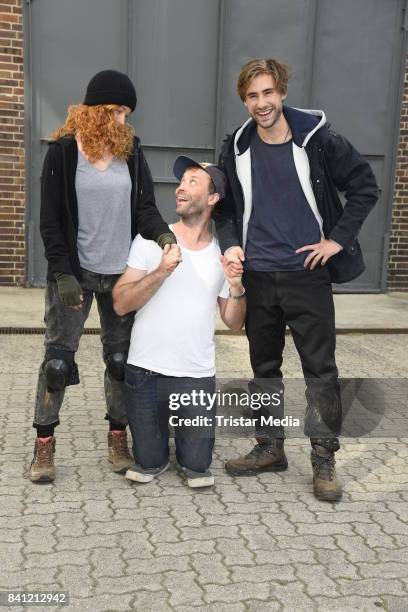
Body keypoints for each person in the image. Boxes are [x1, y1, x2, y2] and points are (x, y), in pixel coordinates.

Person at [214, 58, 378, 501]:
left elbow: (365, 186)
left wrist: (336, 241)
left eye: (268, 93)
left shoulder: (319, 140)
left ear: (282, 93)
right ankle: (269, 448)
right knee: (263, 369)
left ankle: (324, 458)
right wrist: (230, 245)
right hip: (259, 275)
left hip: (307, 275)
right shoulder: (236, 146)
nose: (261, 103)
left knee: (320, 370)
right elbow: (225, 208)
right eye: (252, 96)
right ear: (244, 100)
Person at [29, 69, 176, 483]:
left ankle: (118, 437)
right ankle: (44, 445)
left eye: (127, 113)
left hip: (120, 276)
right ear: (93, 111)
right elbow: (51, 222)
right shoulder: (62, 153)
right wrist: (61, 273)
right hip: (75, 275)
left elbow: (145, 207)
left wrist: (164, 235)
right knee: (58, 361)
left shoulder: (132, 151)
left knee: (119, 361)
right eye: (115, 111)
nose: (122, 120)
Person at [112, 156, 246, 488]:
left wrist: (237, 286)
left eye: (192, 181)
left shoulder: (221, 255)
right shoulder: (151, 240)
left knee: (197, 467)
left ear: (213, 198)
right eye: (181, 181)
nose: (180, 188)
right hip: (145, 373)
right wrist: (161, 271)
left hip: (195, 378)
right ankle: (154, 447)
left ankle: (190, 448)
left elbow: (233, 322)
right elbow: (119, 303)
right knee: (149, 462)